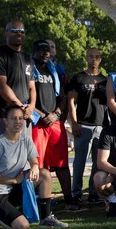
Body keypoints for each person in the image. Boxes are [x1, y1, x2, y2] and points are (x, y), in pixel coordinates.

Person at [0, 104, 67, 229]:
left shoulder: (26, 139)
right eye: (13, 118)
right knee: (23, 226)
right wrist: (13, 180)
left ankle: (46, 218)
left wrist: (35, 167)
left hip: (14, 190)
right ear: (5, 121)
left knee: (44, 174)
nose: (18, 122)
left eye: (20, 118)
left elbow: (34, 161)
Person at [31, 40, 78, 213]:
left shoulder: (56, 70)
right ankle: (42, 204)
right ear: (34, 51)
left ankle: (69, 201)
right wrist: (41, 115)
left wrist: (57, 114)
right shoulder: (28, 69)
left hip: (55, 122)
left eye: (48, 49)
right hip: (37, 123)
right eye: (41, 49)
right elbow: (25, 98)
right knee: (39, 165)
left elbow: (64, 96)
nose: (45, 53)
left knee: (61, 164)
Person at [68, 47, 108, 206]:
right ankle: (76, 193)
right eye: (91, 56)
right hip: (83, 125)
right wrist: (74, 123)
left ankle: (94, 192)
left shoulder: (106, 80)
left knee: (98, 163)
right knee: (79, 162)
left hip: (101, 126)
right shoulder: (78, 78)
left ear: (100, 59)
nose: (94, 59)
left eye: (97, 56)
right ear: (86, 57)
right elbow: (71, 102)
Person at [0, 20, 35, 135]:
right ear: (6, 33)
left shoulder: (28, 59)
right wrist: (20, 107)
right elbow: (0, 85)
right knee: (8, 152)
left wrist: (31, 107)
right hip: (6, 116)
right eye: (14, 31)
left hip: (25, 116)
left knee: (24, 152)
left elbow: (32, 87)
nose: (19, 33)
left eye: (22, 31)